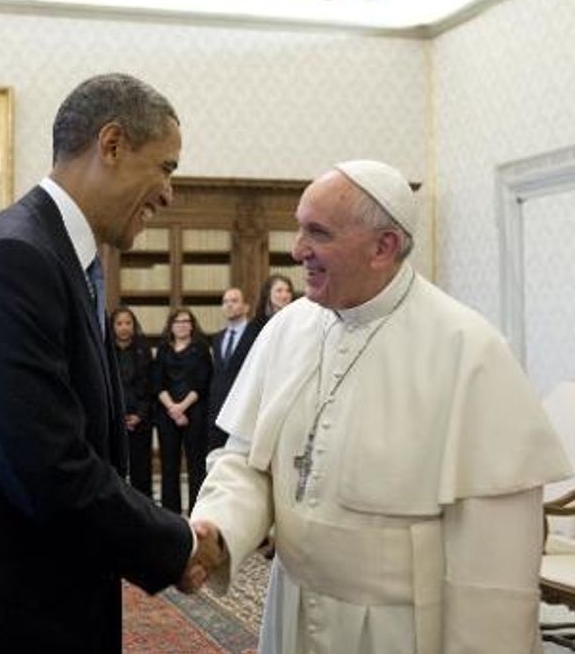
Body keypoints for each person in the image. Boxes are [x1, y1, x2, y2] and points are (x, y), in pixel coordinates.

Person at [0, 73, 221, 654]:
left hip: (30, 602)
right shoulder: (12, 260)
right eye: (166, 167)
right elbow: (50, 470)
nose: (168, 194)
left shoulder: (55, 258)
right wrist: (176, 544)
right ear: (111, 144)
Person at [190, 160, 572, 653]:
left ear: (383, 246)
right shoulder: (288, 329)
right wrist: (218, 529)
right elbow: (246, 461)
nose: (296, 248)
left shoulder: (467, 349)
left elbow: (493, 561)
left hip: (402, 631)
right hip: (293, 608)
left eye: (317, 233)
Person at [207, 278, 294, 451]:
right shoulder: (253, 328)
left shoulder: (256, 330)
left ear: (246, 306)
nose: (283, 295)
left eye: (287, 291)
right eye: (278, 290)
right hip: (223, 405)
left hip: (272, 393)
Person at [152, 307, 212, 514]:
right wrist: (172, 408)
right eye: (178, 322)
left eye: (186, 321)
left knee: (196, 466)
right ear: (171, 326)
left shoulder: (201, 348)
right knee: (169, 467)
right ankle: (170, 513)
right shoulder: (163, 350)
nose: (182, 325)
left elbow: (202, 383)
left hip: (194, 412)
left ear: (192, 325)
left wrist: (182, 407)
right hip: (167, 414)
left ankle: (197, 511)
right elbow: (157, 383)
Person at [110, 306, 153, 497]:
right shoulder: (105, 353)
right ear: (112, 327)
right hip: (113, 420)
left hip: (140, 421)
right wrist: (118, 415)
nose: (124, 327)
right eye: (119, 323)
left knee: (141, 469)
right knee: (114, 467)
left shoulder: (143, 352)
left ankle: (145, 513)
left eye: (128, 323)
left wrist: (139, 415)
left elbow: (150, 388)